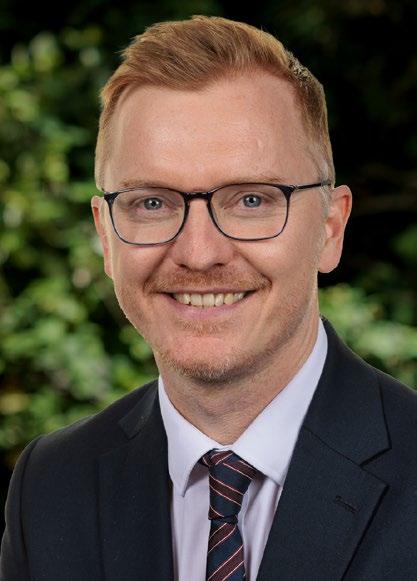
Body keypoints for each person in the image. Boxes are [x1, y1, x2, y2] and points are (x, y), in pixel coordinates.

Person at [1, 14, 417, 581]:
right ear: (105, 235)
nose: (199, 254)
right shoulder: (51, 486)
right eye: (152, 203)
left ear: (330, 228)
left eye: (251, 200)